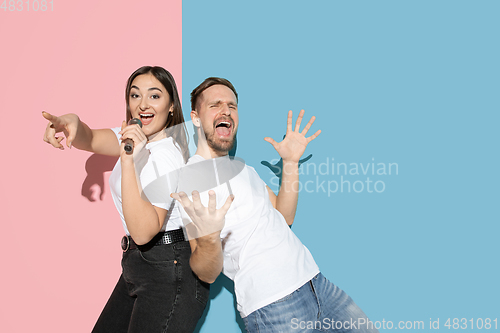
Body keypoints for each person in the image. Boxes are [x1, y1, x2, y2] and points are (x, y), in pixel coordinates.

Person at [171, 77, 379, 333]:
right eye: (215, 105)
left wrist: (291, 163)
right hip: (273, 305)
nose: (226, 110)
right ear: (195, 117)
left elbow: (284, 216)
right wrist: (210, 239)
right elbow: (206, 273)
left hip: (316, 283)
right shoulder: (191, 179)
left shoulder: (243, 170)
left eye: (232, 106)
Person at [42, 66, 213, 333]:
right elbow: (92, 138)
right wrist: (72, 122)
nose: (143, 104)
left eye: (154, 96)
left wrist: (129, 161)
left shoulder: (165, 154)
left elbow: (145, 232)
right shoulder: (136, 138)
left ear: (171, 106)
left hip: (170, 268)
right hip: (140, 265)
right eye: (135, 95)